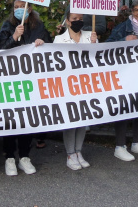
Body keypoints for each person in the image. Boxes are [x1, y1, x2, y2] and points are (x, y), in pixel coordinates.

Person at [0, 0, 51, 176]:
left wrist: (43, 42)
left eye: (23, 6)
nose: (19, 9)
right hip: (12, 79)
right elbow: (0, 49)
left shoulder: (38, 25)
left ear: (30, 8)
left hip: (31, 79)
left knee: (28, 117)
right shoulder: (8, 25)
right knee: (11, 118)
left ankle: (25, 157)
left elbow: (50, 46)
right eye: (16, 7)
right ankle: (10, 158)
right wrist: (14, 38)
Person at [106, 0, 138, 161]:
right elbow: (107, 46)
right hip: (126, 74)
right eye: (137, 10)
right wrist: (123, 41)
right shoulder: (123, 28)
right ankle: (120, 146)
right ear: (132, 11)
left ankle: (137, 142)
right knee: (123, 108)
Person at [54, 12, 97, 170]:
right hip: (68, 85)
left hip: (86, 85)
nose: (78, 22)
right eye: (74, 19)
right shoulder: (59, 40)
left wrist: (94, 44)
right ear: (67, 21)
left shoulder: (90, 36)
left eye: (80, 19)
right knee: (71, 121)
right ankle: (70, 154)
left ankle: (79, 151)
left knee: (83, 121)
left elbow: (98, 59)